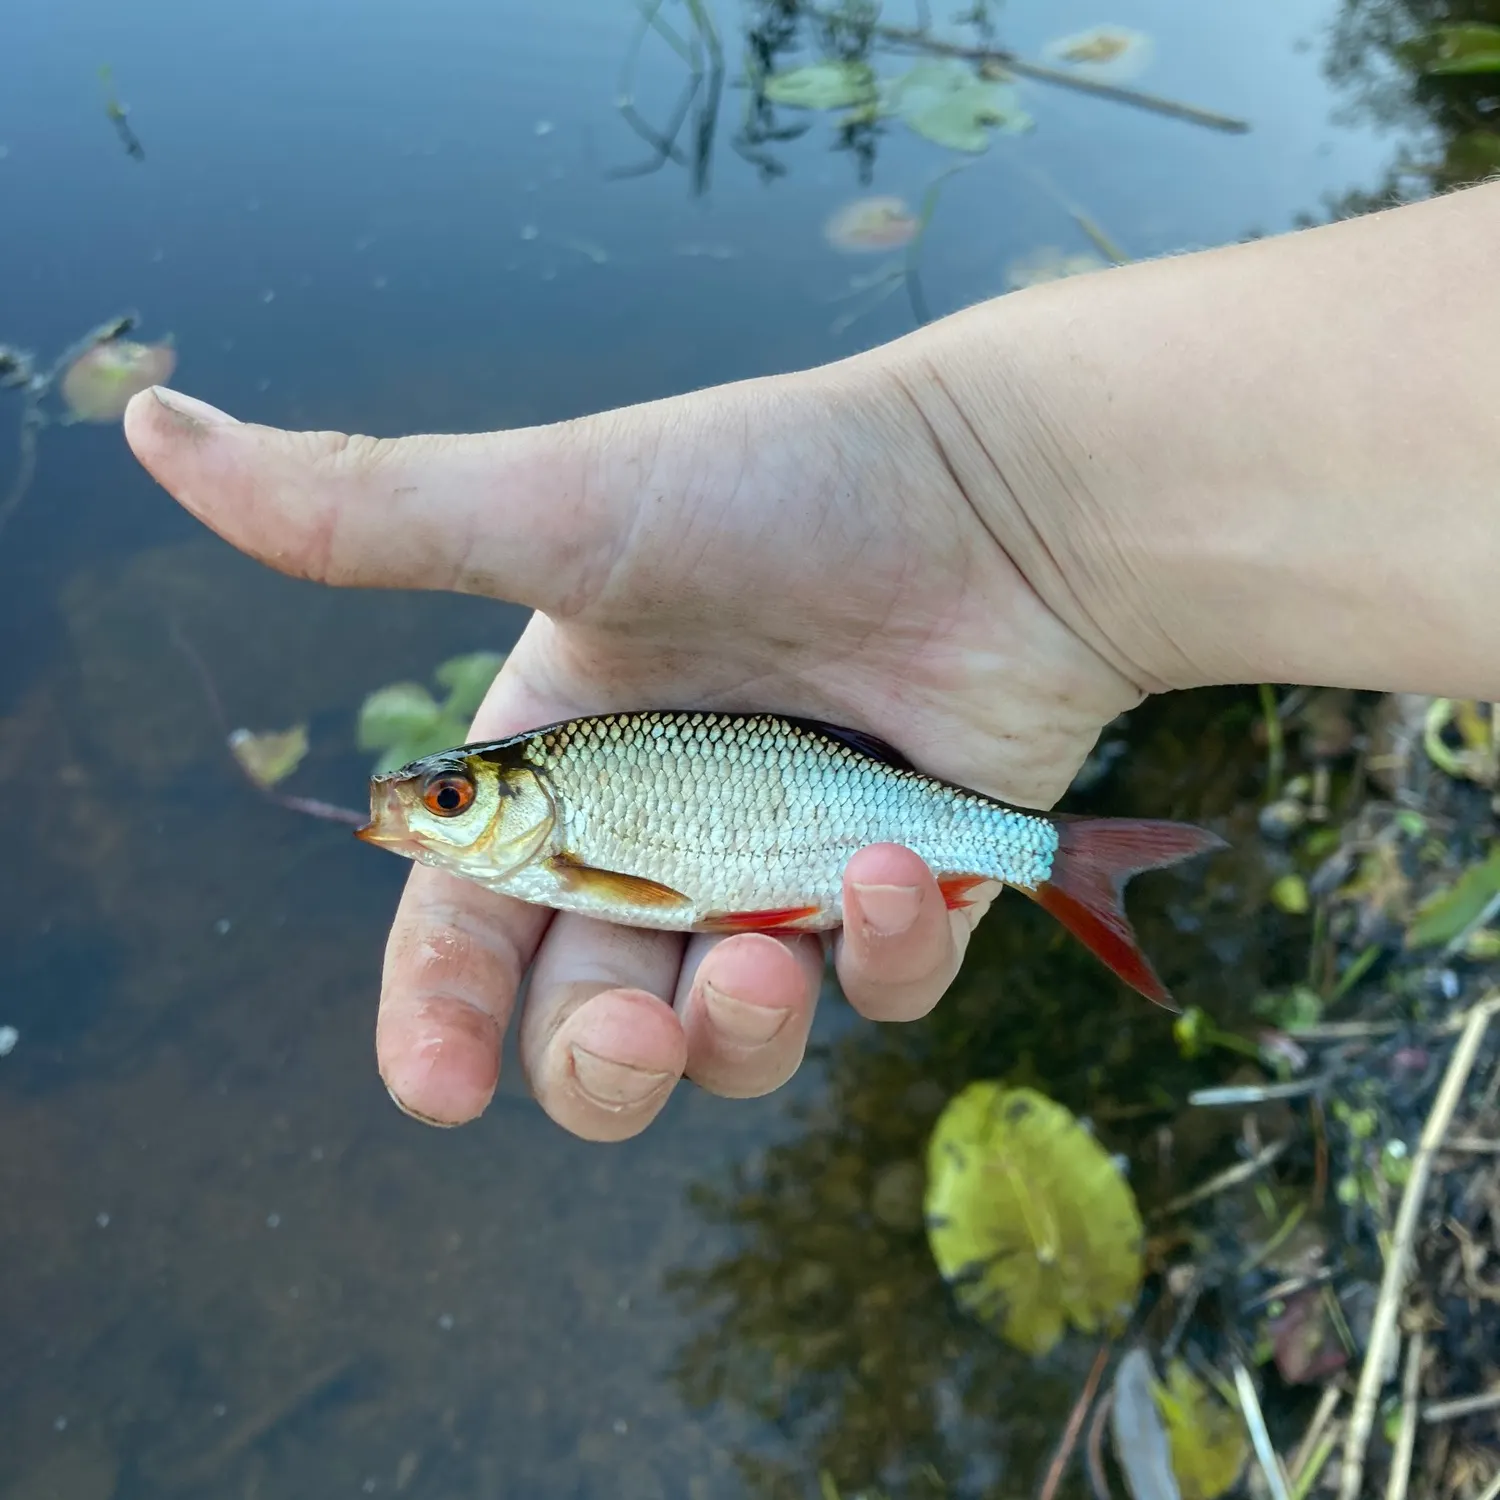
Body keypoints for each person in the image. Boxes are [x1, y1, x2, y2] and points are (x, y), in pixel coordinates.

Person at [124, 179, 1500, 1145]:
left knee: (793, 956)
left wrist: (998, 499)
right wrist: (1015, 513)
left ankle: (1054, 854)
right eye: (442, 805)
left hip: (871, 806)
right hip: (869, 808)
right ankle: (1053, 852)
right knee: (772, 965)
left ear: (515, 797)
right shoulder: (567, 809)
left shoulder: (571, 819)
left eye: (452, 801)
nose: (427, 817)